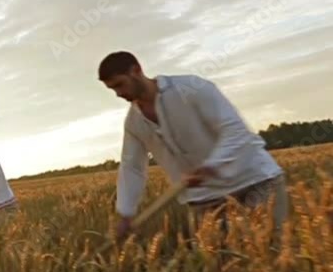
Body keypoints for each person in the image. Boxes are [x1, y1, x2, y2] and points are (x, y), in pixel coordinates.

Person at [98, 51, 288, 240]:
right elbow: (132, 167)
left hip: (254, 181)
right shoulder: (134, 123)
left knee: (272, 248)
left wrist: (211, 166)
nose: (118, 94)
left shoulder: (191, 88)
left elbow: (235, 131)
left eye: (120, 85)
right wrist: (125, 213)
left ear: (136, 70)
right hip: (206, 199)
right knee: (220, 257)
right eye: (112, 89)